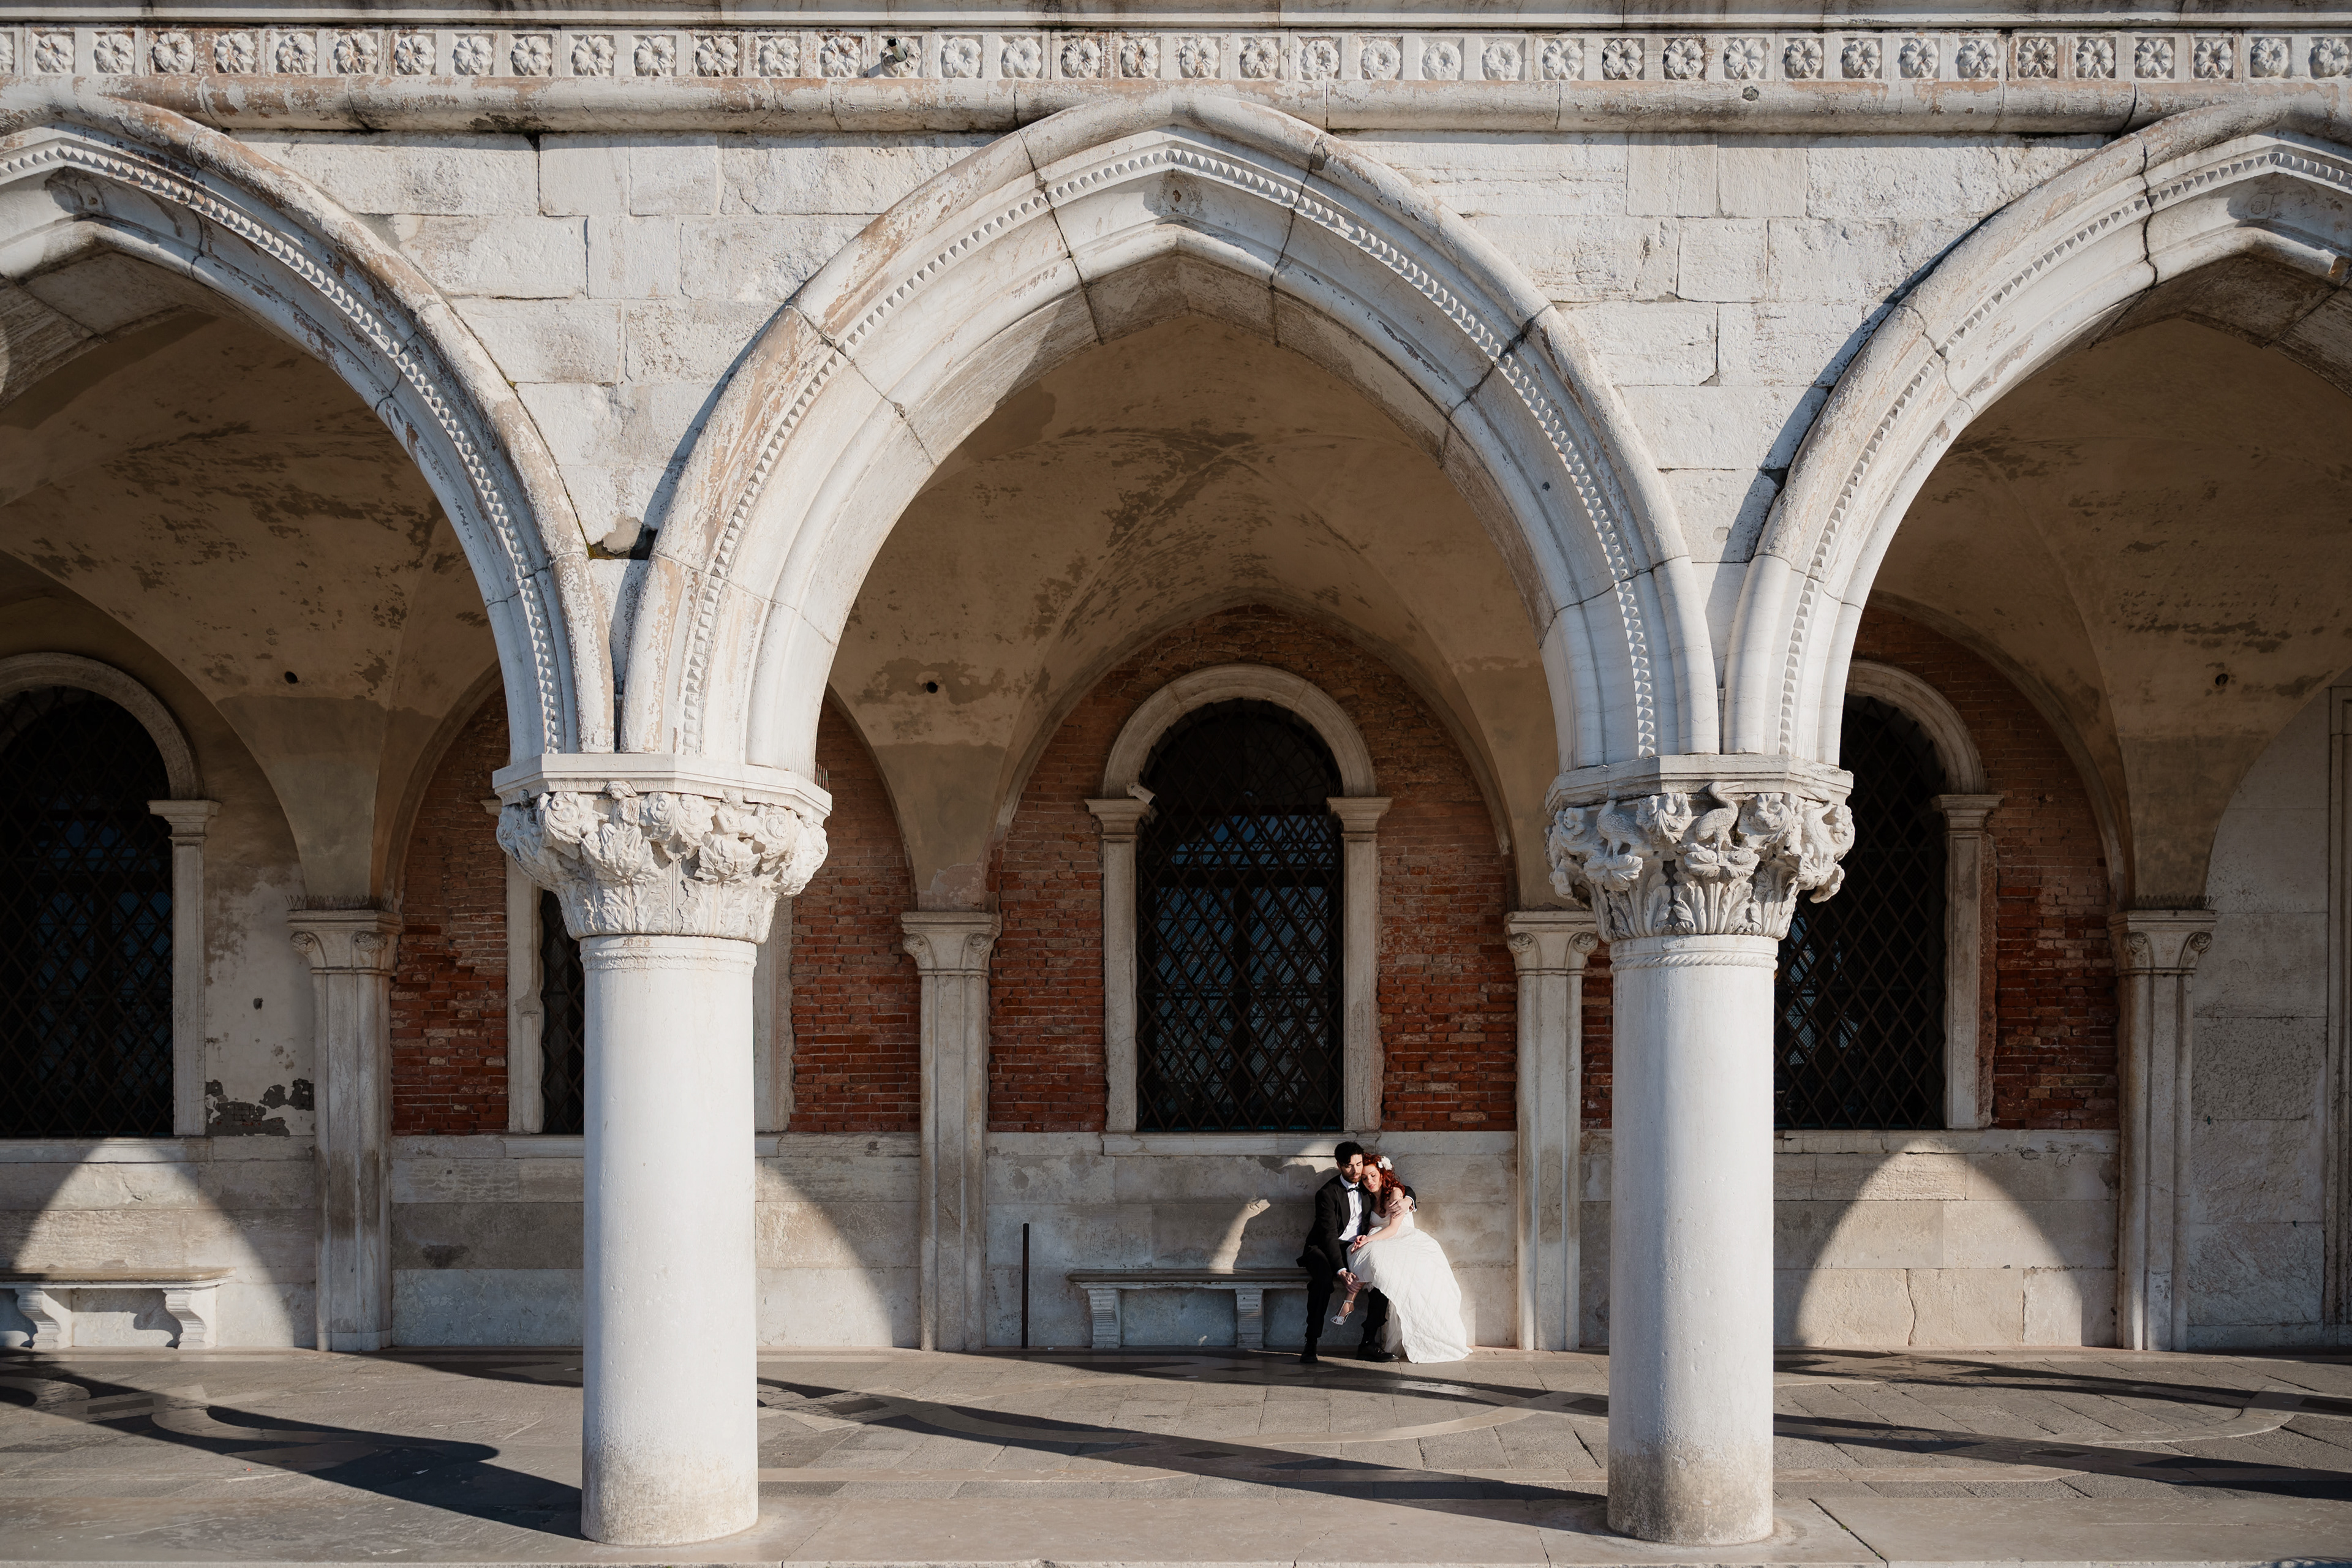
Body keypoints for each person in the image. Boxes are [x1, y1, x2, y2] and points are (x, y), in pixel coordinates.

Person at [1330, 1158, 1470, 1363]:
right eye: (1365, 1178)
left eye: (1374, 1176)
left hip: (1404, 1243)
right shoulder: (1366, 1199)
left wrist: (1369, 1238)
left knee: (1383, 1267)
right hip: (1382, 1245)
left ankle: (1359, 1322)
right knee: (1377, 1266)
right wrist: (1365, 1237)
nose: (1370, 1181)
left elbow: (1394, 1228)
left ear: (1382, 1174)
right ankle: (1365, 1337)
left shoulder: (1395, 1193)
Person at [1296, 1140, 1389, 1364]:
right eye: (1349, 1166)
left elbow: (1398, 1186)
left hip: (1354, 1247)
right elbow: (1328, 1235)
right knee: (1322, 1281)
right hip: (1322, 1248)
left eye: (1359, 1164)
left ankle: (1368, 1344)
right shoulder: (1327, 1194)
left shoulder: (1367, 1184)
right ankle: (1311, 1342)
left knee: (1382, 1276)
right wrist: (1341, 1270)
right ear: (1339, 1165)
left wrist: (1408, 1199)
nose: (1356, 1171)